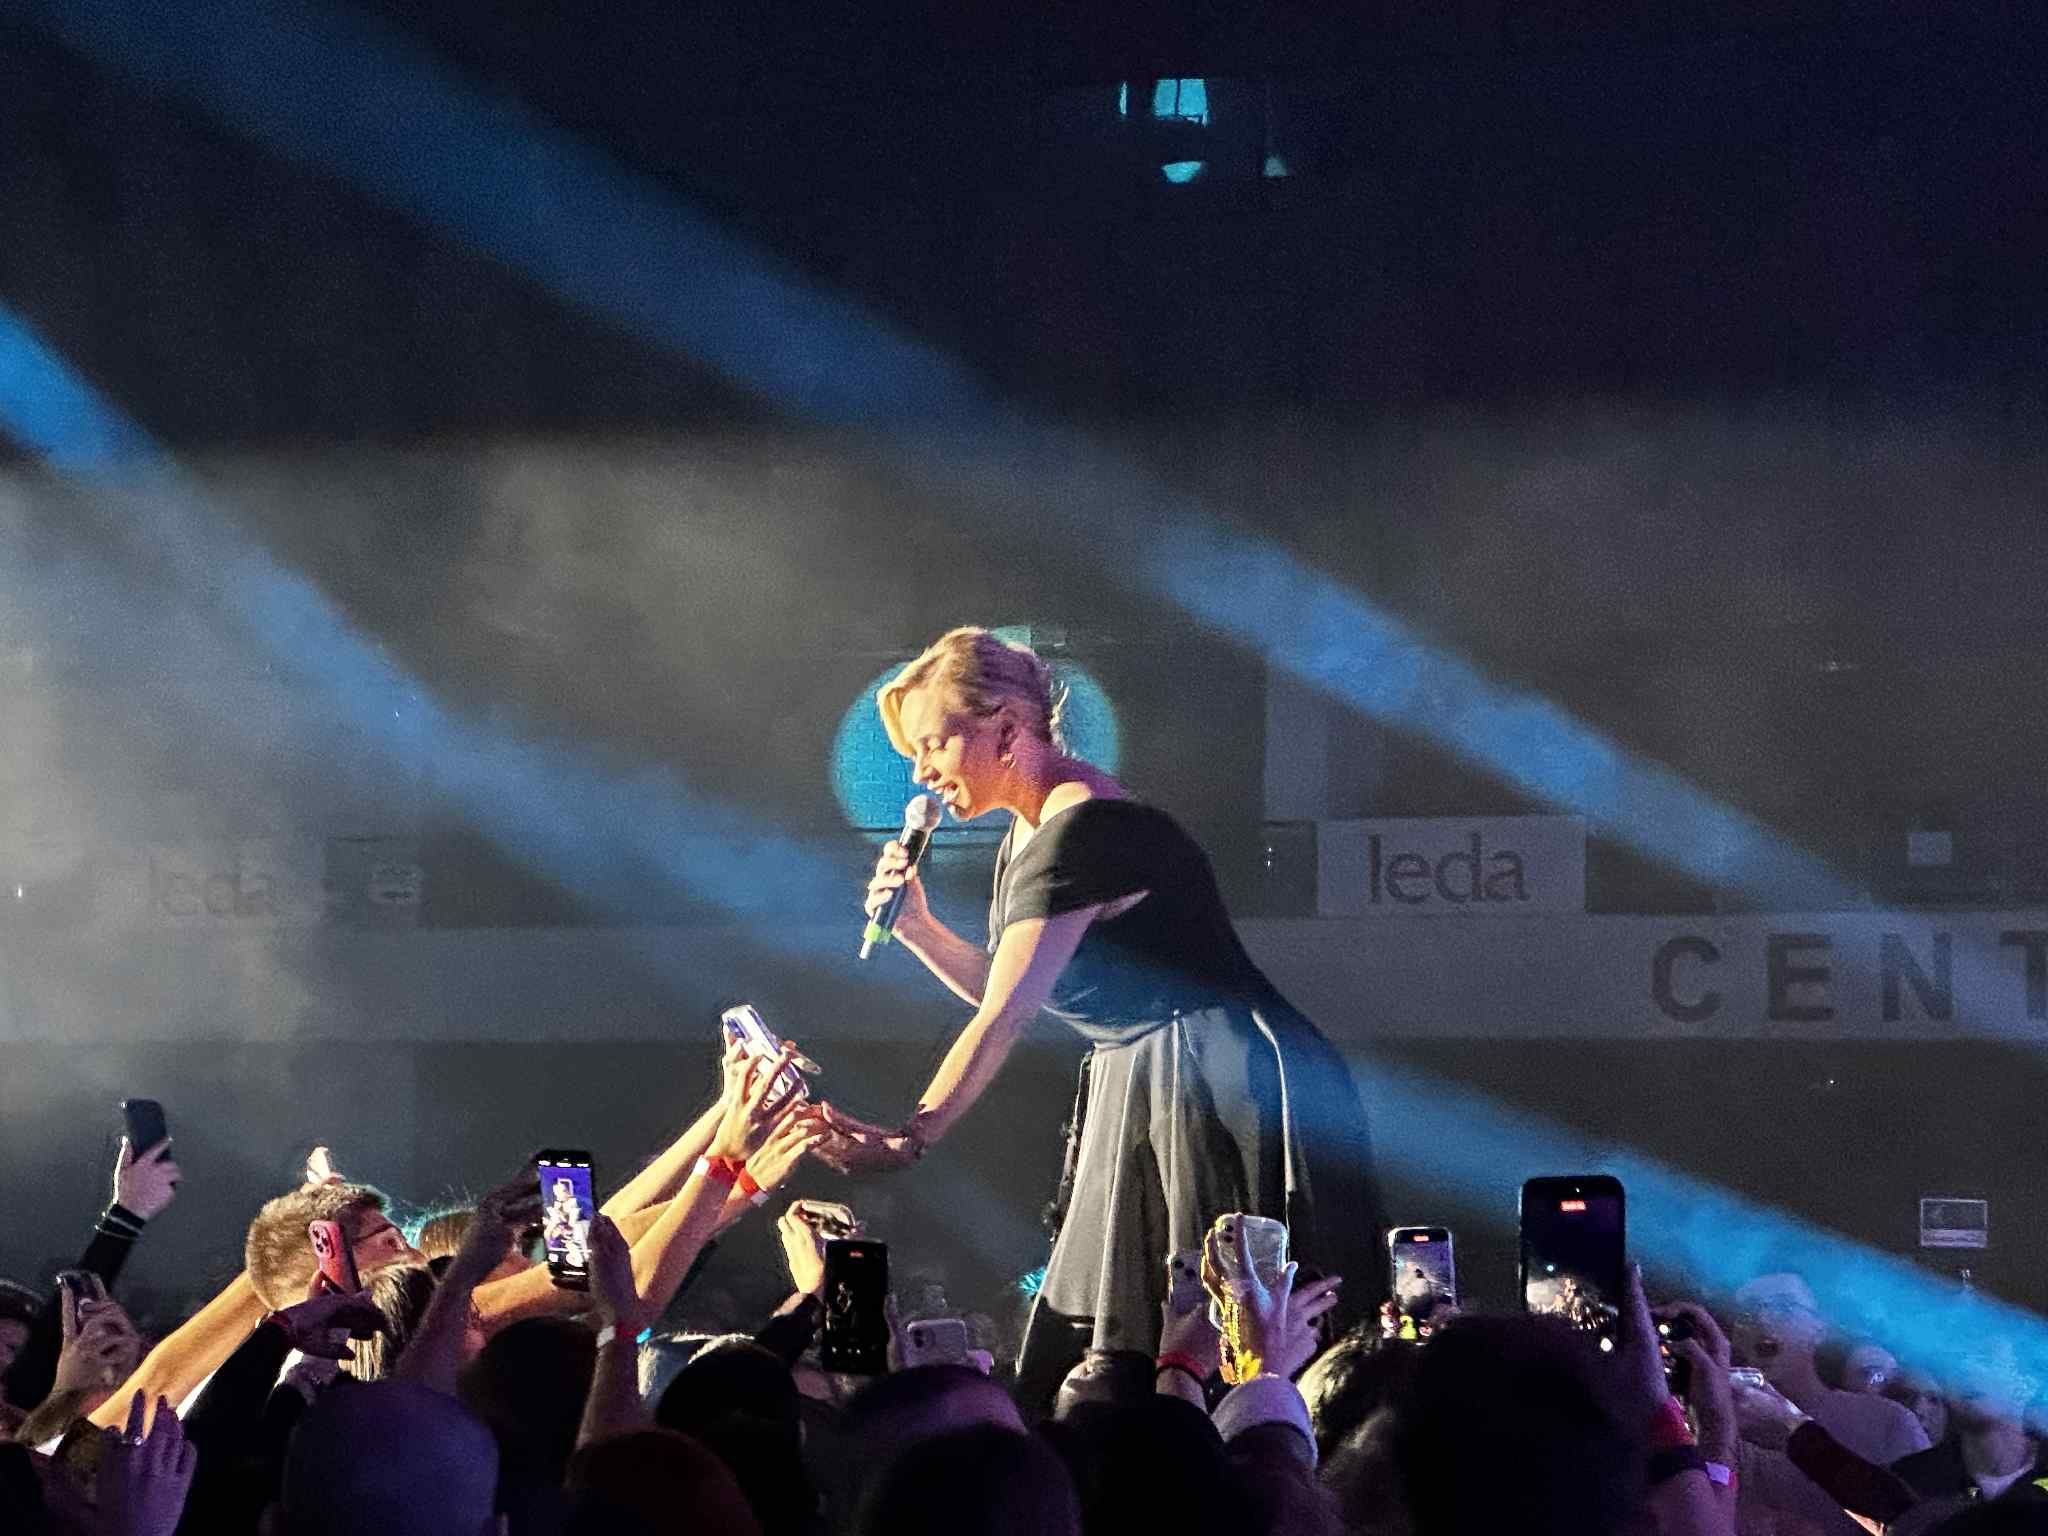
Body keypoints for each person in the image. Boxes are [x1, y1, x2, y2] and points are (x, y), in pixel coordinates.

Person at [811, 626, 1381, 1405]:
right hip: (1144, 1070)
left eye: (934, 744)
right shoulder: (1030, 832)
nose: (922, 771)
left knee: (1217, 1320)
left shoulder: (1079, 828)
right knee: (1136, 1342)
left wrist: (913, 1136)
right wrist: (918, 928)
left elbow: (1005, 1016)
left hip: (1213, 1078)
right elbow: (1015, 991)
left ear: (1007, 727)